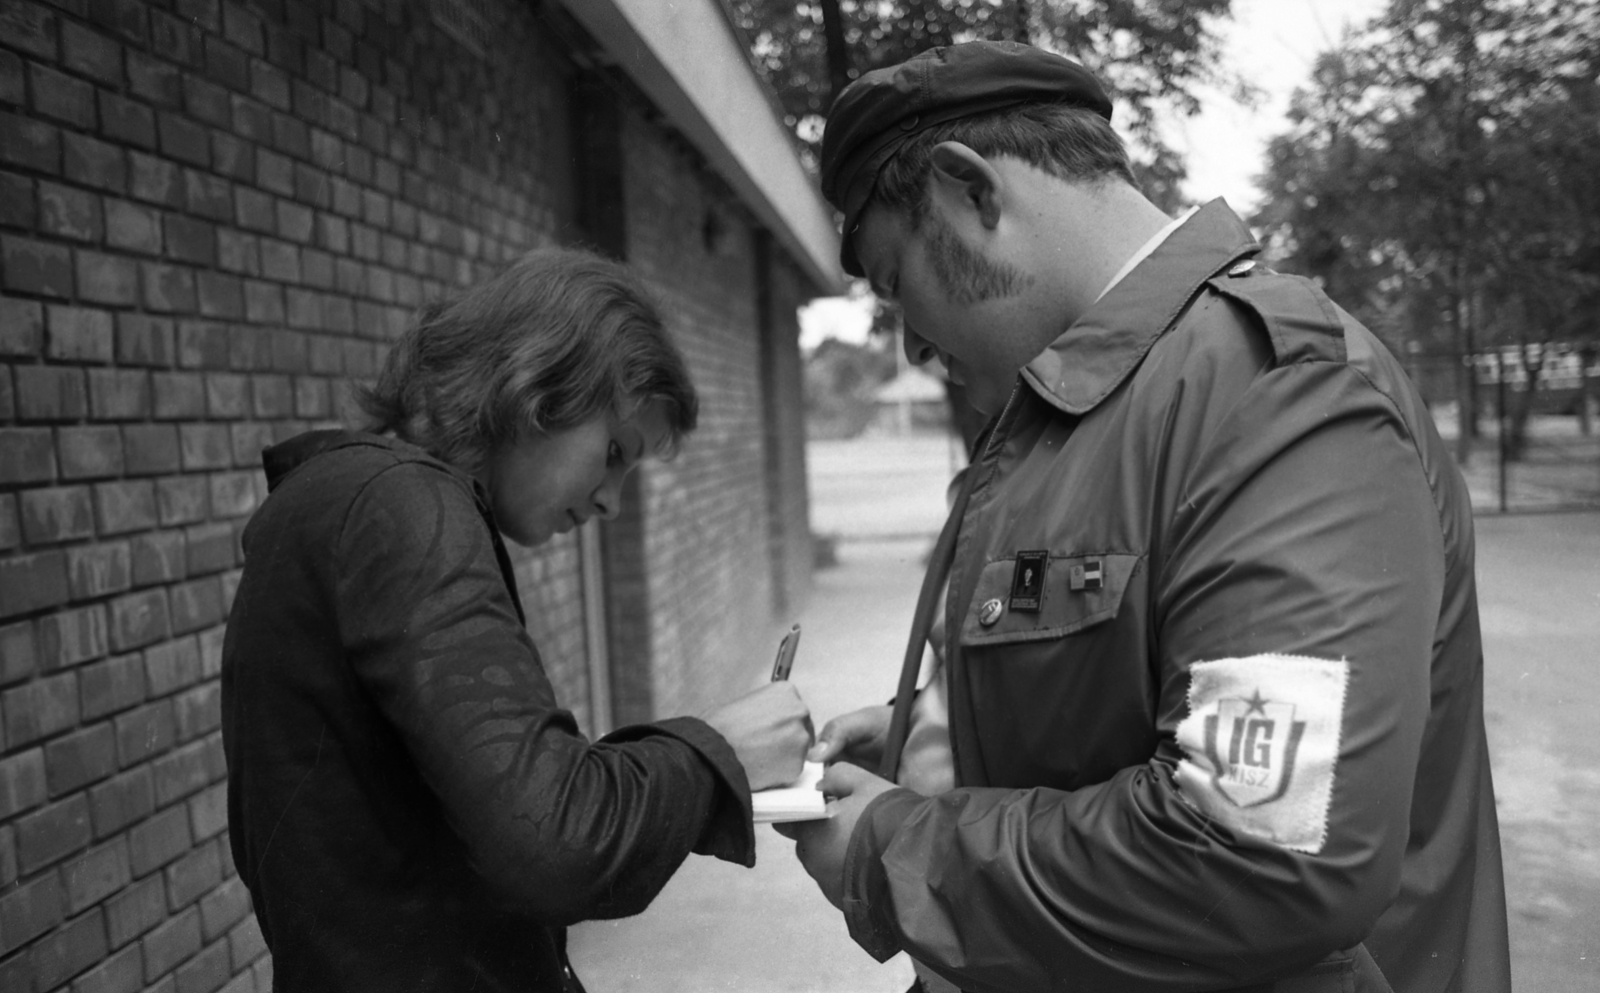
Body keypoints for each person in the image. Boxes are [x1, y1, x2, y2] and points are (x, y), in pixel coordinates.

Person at [779, 41, 1508, 993]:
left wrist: (892, 849)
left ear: (970, 192)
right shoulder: (1079, 413)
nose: (912, 342)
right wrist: (945, 731)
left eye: (895, 281)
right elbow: (1140, 671)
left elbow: (1261, 856)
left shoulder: (1274, 395)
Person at [221, 247, 813, 992]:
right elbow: (555, 841)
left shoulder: (335, 499)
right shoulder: (405, 506)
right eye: (614, 453)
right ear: (537, 386)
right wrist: (716, 752)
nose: (610, 502)